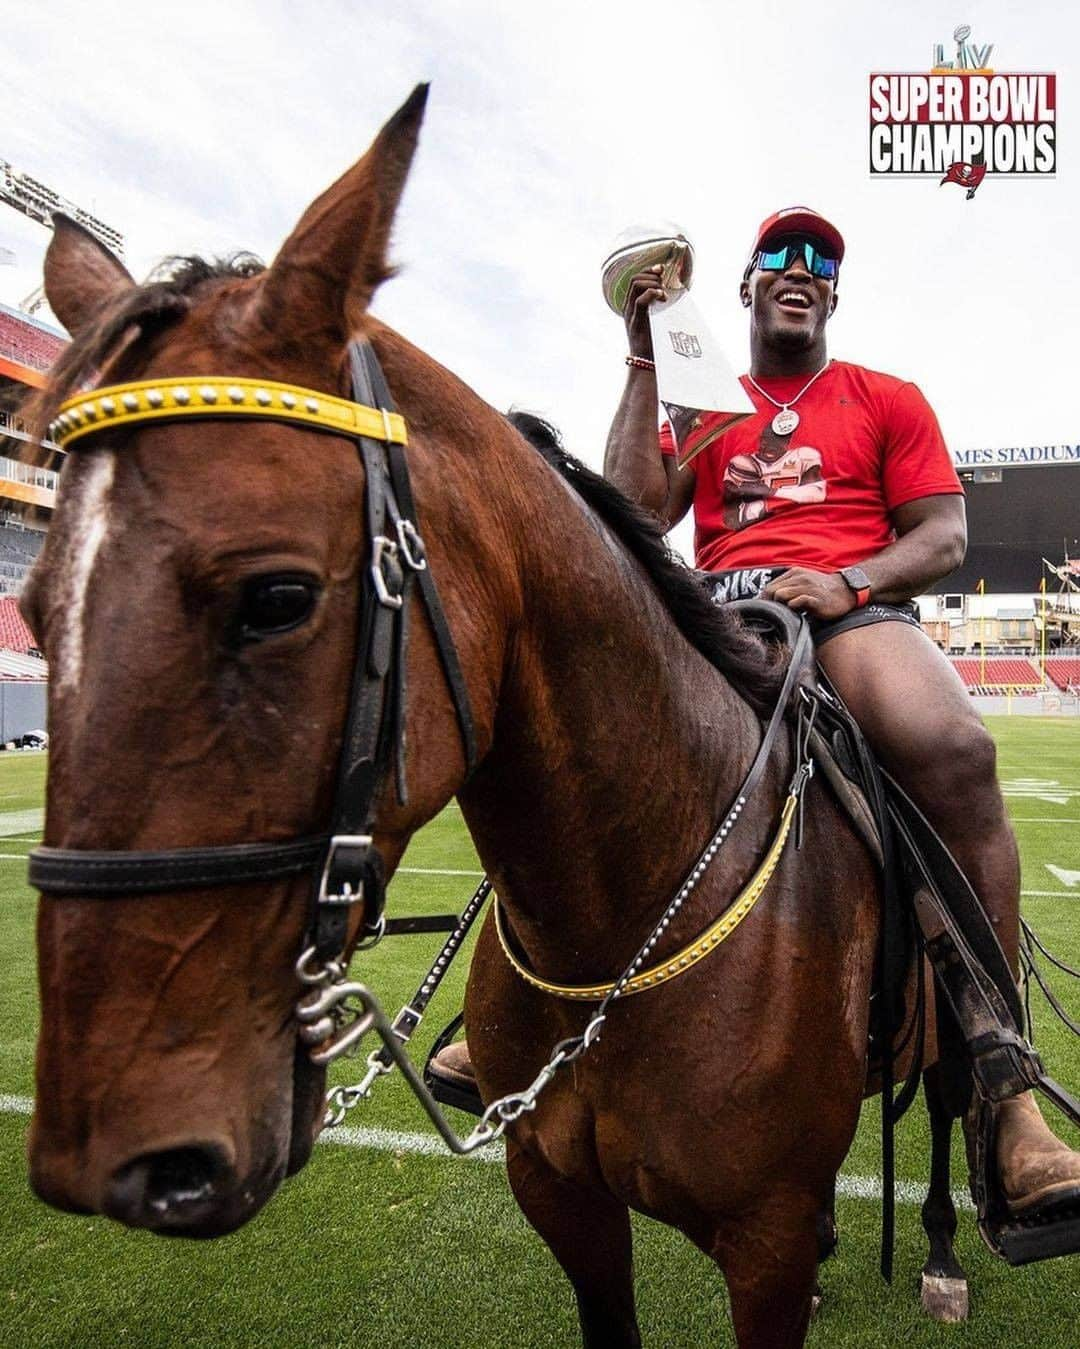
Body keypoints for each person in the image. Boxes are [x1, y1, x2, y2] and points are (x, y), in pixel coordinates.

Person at [601, 205, 1080, 1241]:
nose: (801, 269)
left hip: (854, 609)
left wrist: (849, 576)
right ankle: (509, 1019)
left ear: (833, 293)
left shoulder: (886, 398)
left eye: (821, 261)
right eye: (778, 254)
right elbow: (634, 511)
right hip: (715, 608)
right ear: (743, 286)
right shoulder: (705, 402)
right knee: (583, 729)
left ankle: (1004, 1085)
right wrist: (643, 353)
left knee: (957, 748)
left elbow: (943, 532)